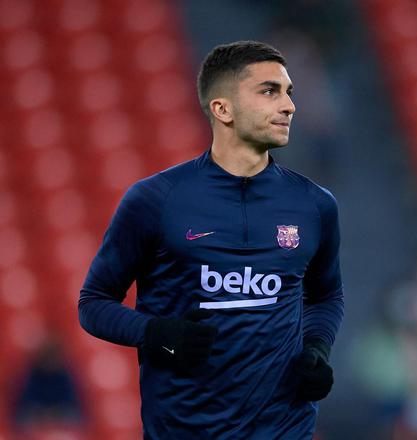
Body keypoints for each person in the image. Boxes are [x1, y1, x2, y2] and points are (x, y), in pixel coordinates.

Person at [78, 40, 344, 439]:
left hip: (284, 428)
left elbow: (326, 296)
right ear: (223, 109)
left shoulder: (315, 204)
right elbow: (94, 303)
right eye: (270, 91)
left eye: (289, 92)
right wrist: (157, 334)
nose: (289, 106)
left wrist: (317, 348)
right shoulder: (156, 199)